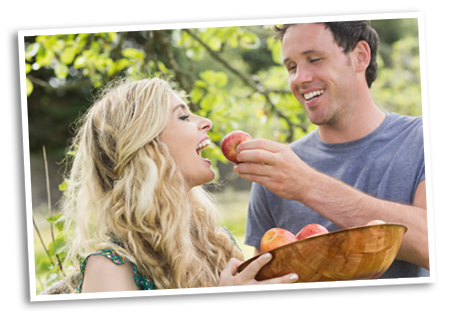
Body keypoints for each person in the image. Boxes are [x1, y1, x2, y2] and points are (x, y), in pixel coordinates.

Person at [60, 76, 299, 292]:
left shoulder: (216, 245)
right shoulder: (110, 269)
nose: (206, 122)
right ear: (148, 148)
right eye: (183, 116)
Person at [236, 21, 430, 278]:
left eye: (314, 59)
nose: (299, 78)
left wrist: (307, 185)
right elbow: (263, 277)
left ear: (360, 56)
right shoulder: (275, 172)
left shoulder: (422, 138)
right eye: (291, 67)